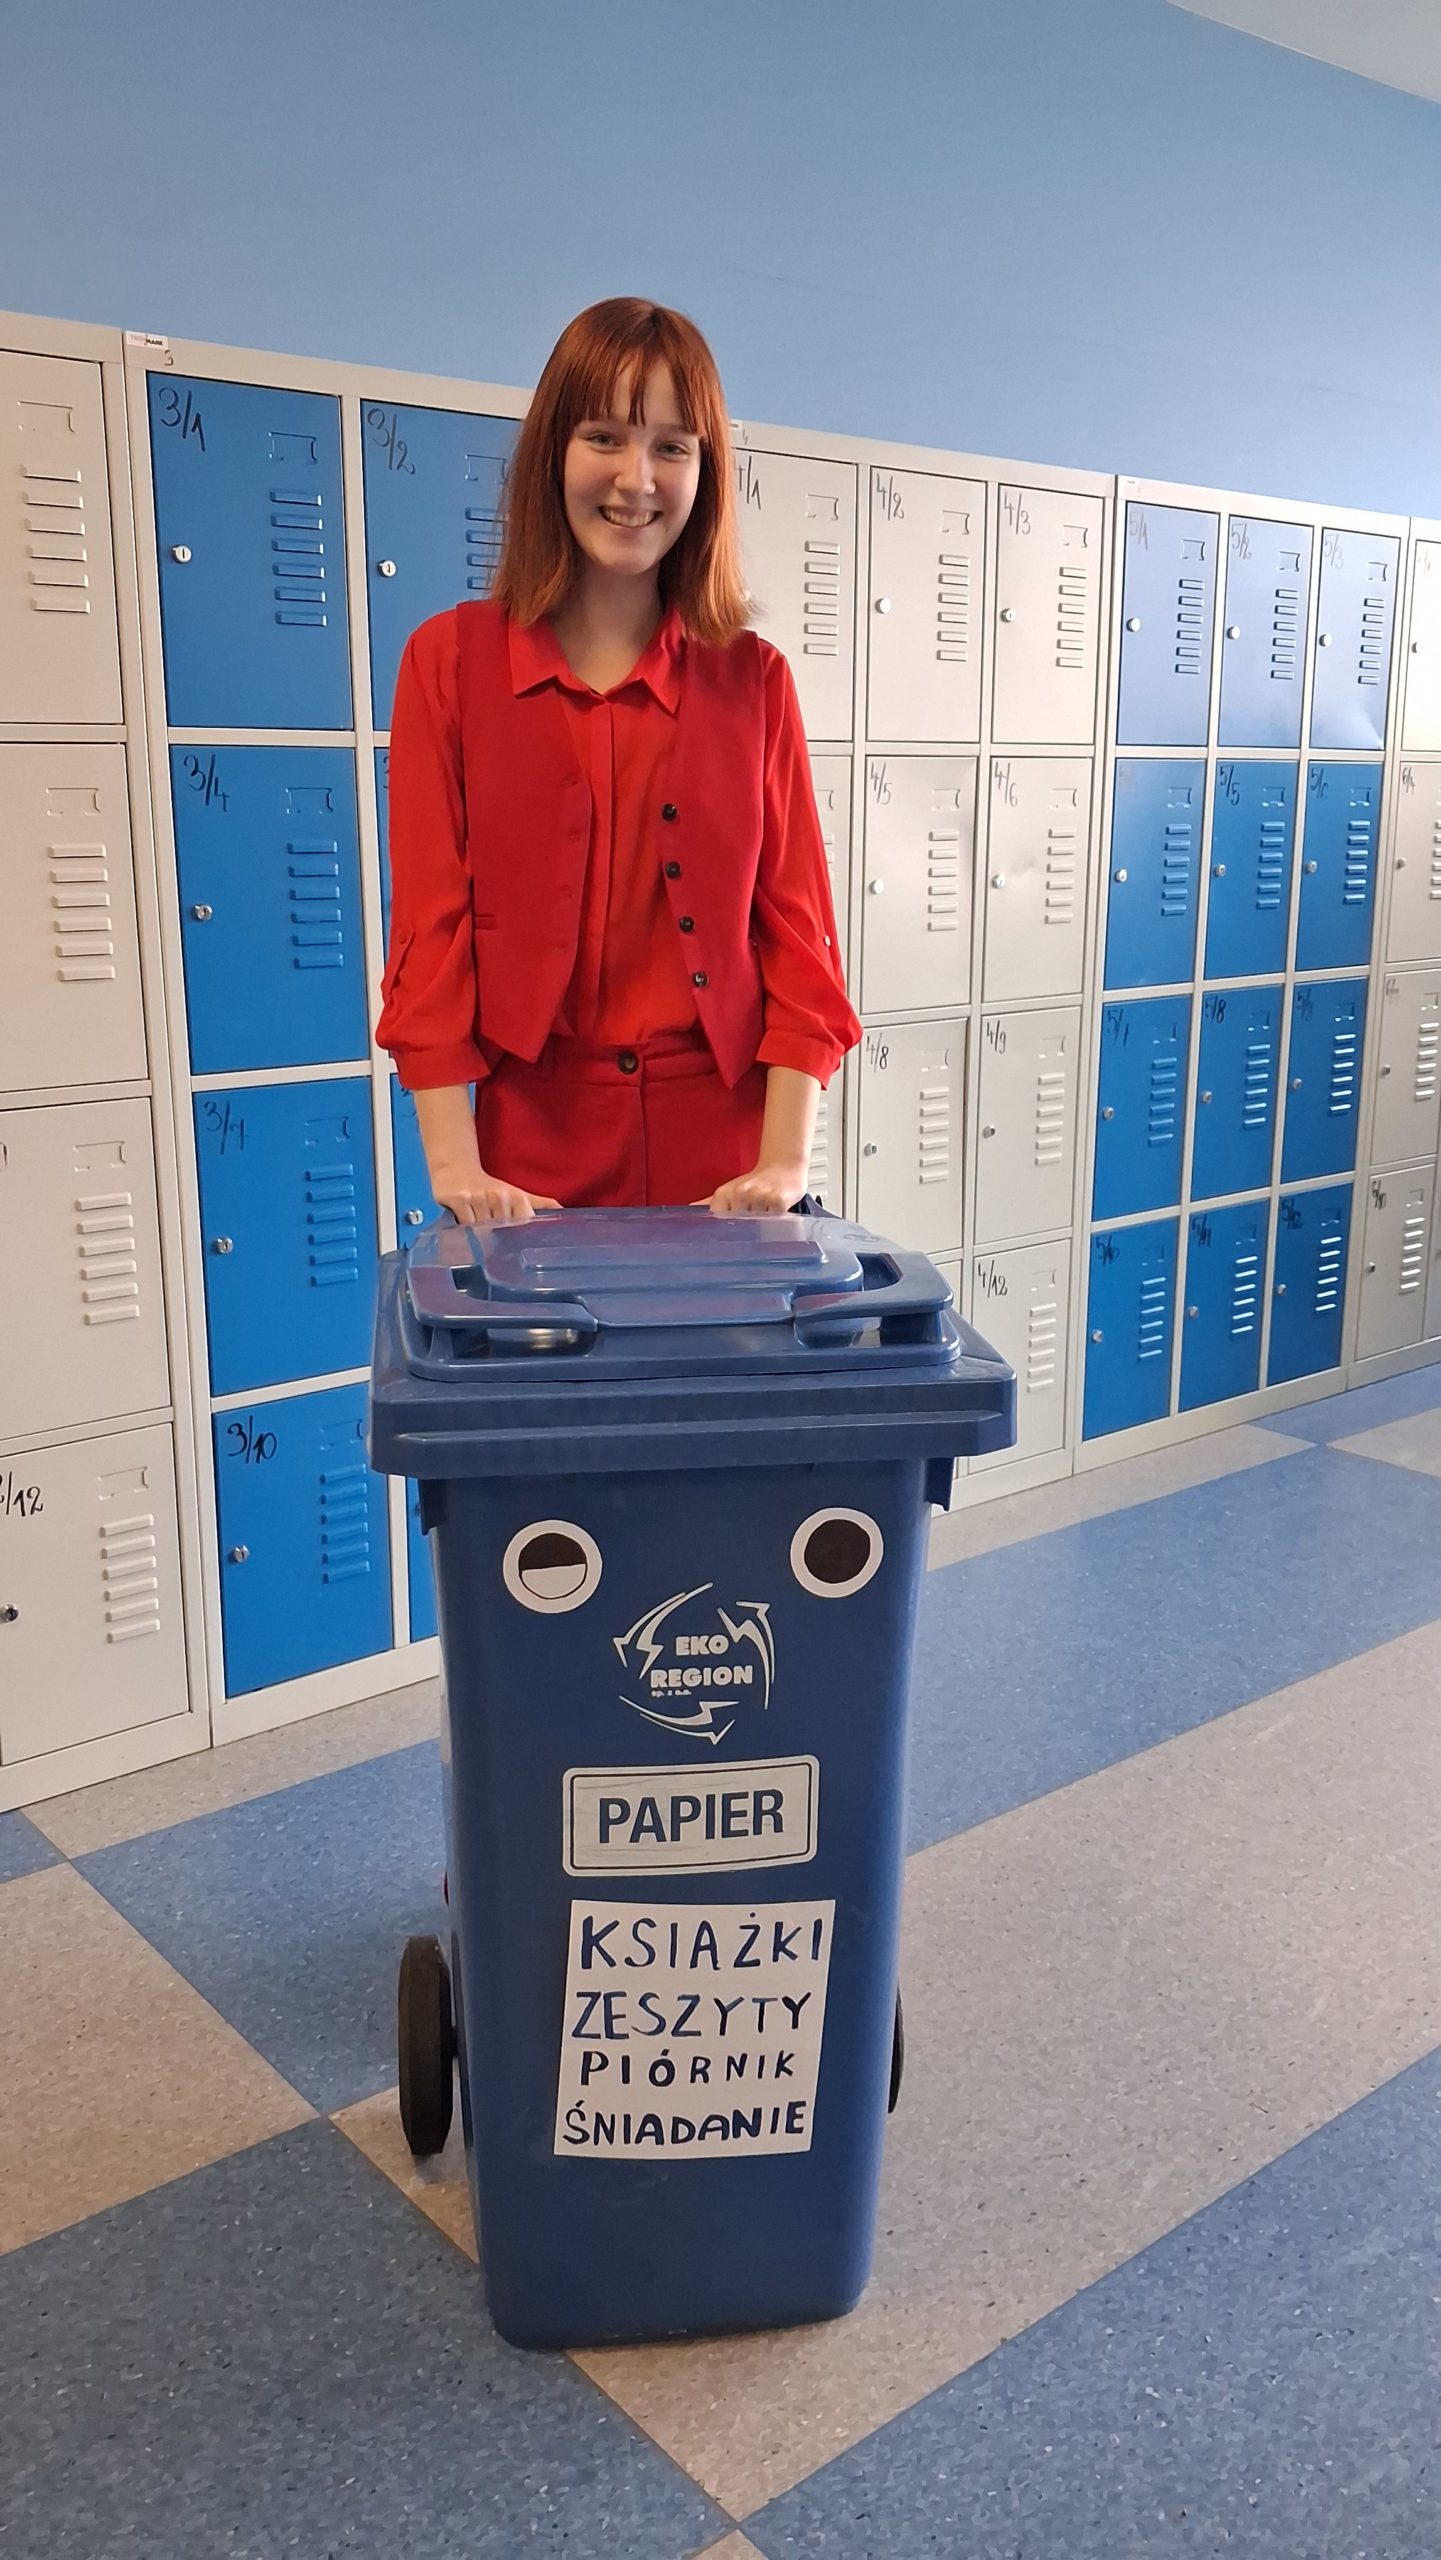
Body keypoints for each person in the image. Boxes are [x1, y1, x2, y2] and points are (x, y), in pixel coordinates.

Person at [376, 296, 861, 1224]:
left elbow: (797, 932)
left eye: (672, 447)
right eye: (604, 436)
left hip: (726, 1157)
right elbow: (431, 927)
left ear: (704, 474)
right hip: (528, 1156)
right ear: (552, 451)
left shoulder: (753, 679)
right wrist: (454, 1166)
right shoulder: (448, 661)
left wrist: (783, 1161)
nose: (636, 480)